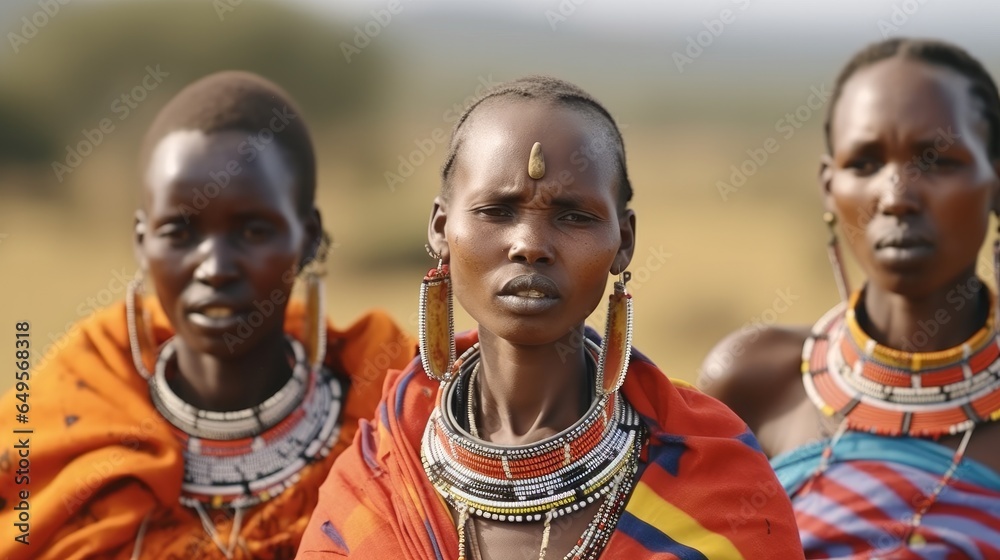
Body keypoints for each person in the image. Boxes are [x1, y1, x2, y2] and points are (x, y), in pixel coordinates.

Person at [297, 75, 802, 560]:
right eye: (497, 210)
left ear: (623, 242)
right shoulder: (376, 479)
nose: (531, 246)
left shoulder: (717, 484)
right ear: (440, 229)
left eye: (573, 216)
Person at [0, 71, 415, 559]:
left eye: (253, 231)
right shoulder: (68, 417)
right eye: (180, 231)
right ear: (142, 241)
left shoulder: (394, 420)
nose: (215, 269)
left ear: (307, 238)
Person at [699, 37, 1000, 558]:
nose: (897, 196)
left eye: (938, 161)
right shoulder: (754, 383)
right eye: (864, 163)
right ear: (827, 185)